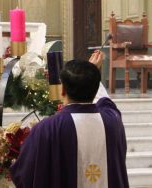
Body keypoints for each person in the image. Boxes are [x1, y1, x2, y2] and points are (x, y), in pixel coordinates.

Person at [10, 51, 129, 188]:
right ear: (96, 89)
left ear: (62, 91)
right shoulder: (112, 121)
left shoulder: (46, 128)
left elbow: (23, 175)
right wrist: (91, 72)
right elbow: (105, 101)